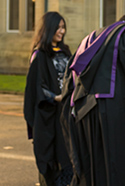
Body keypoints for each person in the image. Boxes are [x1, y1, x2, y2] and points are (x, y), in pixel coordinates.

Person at [59, 12, 125, 186]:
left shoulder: (91, 38)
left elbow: (70, 76)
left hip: (83, 111)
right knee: (118, 162)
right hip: (114, 109)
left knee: (96, 165)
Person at [24, 11, 73, 186]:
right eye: (58, 27)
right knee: (52, 161)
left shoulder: (66, 52)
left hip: (65, 114)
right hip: (49, 116)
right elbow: (36, 88)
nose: (62, 31)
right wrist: (56, 97)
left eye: (63, 27)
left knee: (69, 156)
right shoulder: (40, 55)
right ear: (49, 28)